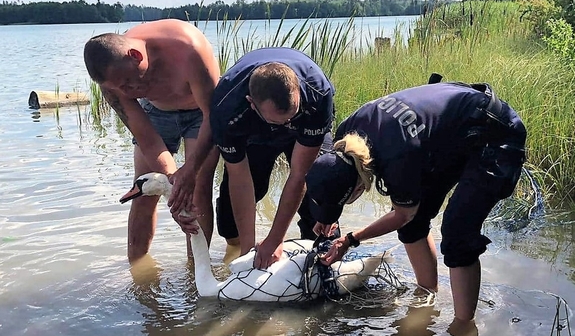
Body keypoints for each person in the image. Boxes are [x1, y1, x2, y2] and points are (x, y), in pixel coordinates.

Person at [304, 78, 526, 332]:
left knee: (458, 232)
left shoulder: (398, 157)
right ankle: (427, 295)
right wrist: (327, 216)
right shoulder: (346, 136)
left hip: (495, 134)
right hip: (452, 132)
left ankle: (463, 325)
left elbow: (403, 214)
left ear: (357, 189)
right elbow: (407, 218)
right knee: (415, 227)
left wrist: (351, 239)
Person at [83, 19, 221, 261]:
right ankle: (137, 269)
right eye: (119, 88)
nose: (126, 93)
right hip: (157, 111)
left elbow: (213, 116)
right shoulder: (112, 80)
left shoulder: (188, 49)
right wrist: (172, 187)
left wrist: (188, 174)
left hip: (203, 112)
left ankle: (196, 272)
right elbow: (146, 137)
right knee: (144, 190)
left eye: (127, 83)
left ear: (136, 56)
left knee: (197, 188)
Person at [210, 47, 336, 269]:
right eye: (280, 121)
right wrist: (249, 254)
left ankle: (323, 258)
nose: (286, 124)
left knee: (320, 192)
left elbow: (299, 175)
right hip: (255, 136)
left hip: (305, 128)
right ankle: (238, 249)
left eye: (291, 115)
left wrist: (276, 239)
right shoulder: (226, 108)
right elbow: (240, 179)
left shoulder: (318, 92)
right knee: (230, 218)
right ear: (251, 102)